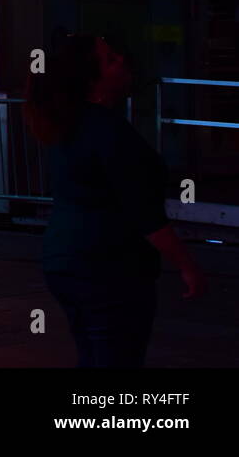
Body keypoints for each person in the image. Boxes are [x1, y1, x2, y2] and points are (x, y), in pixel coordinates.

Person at [24, 33, 206, 368]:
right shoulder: (110, 133)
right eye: (110, 59)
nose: (122, 60)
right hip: (109, 267)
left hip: (65, 261)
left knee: (93, 354)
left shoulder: (67, 125)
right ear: (93, 80)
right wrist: (188, 265)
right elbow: (147, 216)